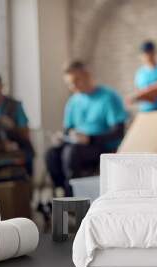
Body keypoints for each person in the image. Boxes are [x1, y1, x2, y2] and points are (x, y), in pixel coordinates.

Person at [45, 61, 127, 197]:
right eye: (69, 83)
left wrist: (90, 139)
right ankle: (63, 193)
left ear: (88, 76)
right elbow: (67, 130)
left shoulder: (109, 97)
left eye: (76, 80)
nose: (73, 86)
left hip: (102, 146)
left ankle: (73, 198)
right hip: (76, 145)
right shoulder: (73, 101)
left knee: (71, 152)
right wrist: (61, 137)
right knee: (51, 154)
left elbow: (119, 132)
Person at [127, 41, 157, 112]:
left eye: (150, 52)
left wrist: (141, 95)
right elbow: (139, 92)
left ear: (155, 53)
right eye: (145, 53)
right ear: (141, 55)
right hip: (145, 111)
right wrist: (145, 96)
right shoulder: (139, 73)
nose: (148, 55)